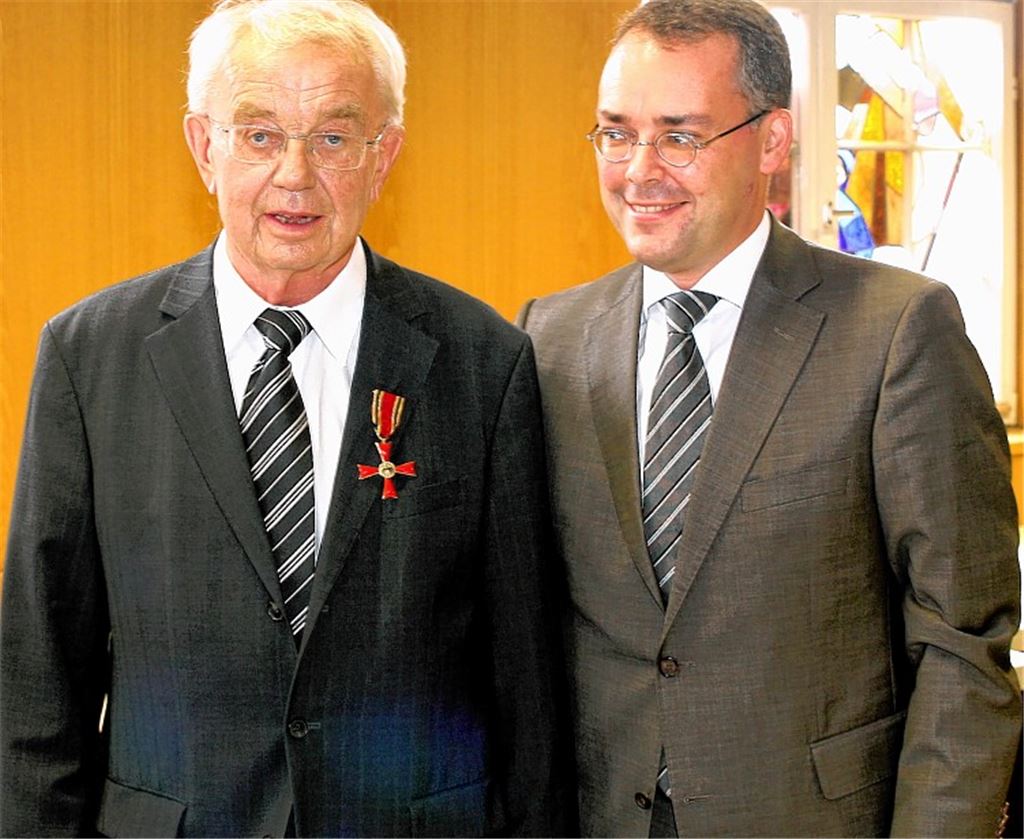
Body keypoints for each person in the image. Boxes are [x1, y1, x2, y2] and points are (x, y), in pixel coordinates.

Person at [0, 1, 569, 835]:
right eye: (259, 134)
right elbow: (38, 675)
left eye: (335, 138)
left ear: (386, 157)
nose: (296, 175)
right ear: (204, 146)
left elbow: (528, 685)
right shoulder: (91, 357)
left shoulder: (486, 363)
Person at [518, 0, 1021, 835]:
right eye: (616, 131)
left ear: (774, 141)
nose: (639, 169)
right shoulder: (547, 335)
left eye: (680, 135)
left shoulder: (897, 330)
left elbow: (963, 644)